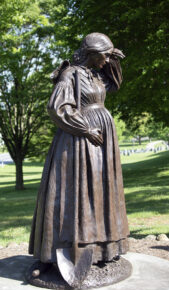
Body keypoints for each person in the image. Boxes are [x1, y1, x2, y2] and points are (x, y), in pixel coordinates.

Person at [29, 32, 129, 272]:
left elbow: (114, 83)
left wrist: (113, 58)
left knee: (101, 192)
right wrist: (84, 128)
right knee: (82, 194)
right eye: (104, 55)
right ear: (91, 53)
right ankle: (68, 251)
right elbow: (57, 107)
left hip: (100, 139)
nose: (106, 59)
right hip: (80, 141)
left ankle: (104, 249)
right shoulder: (70, 74)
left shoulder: (94, 75)